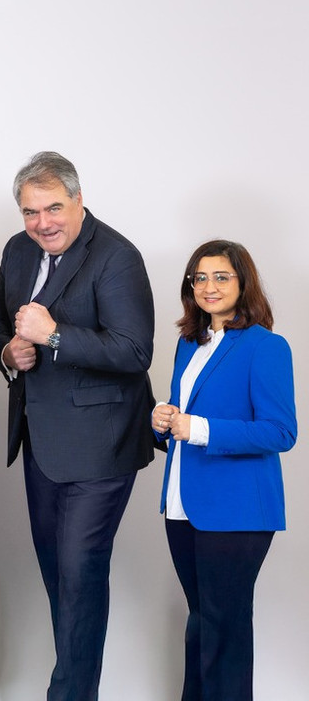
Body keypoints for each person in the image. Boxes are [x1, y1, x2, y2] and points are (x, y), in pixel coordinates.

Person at [0, 151, 155, 701]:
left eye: (53, 208)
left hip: (101, 446)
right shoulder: (17, 250)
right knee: (60, 578)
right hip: (42, 443)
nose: (43, 223)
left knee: (80, 578)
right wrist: (10, 350)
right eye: (30, 212)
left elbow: (134, 351)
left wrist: (54, 335)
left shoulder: (116, 256)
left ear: (79, 201)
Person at [151, 240, 296, 701]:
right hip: (182, 504)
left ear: (243, 283)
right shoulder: (188, 344)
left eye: (221, 277)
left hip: (236, 511)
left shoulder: (266, 347)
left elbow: (279, 432)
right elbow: (183, 418)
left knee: (224, 628)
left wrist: (200, 429)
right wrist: (162, 422)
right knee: (202, 622)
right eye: (199, 277)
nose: (208, 287)